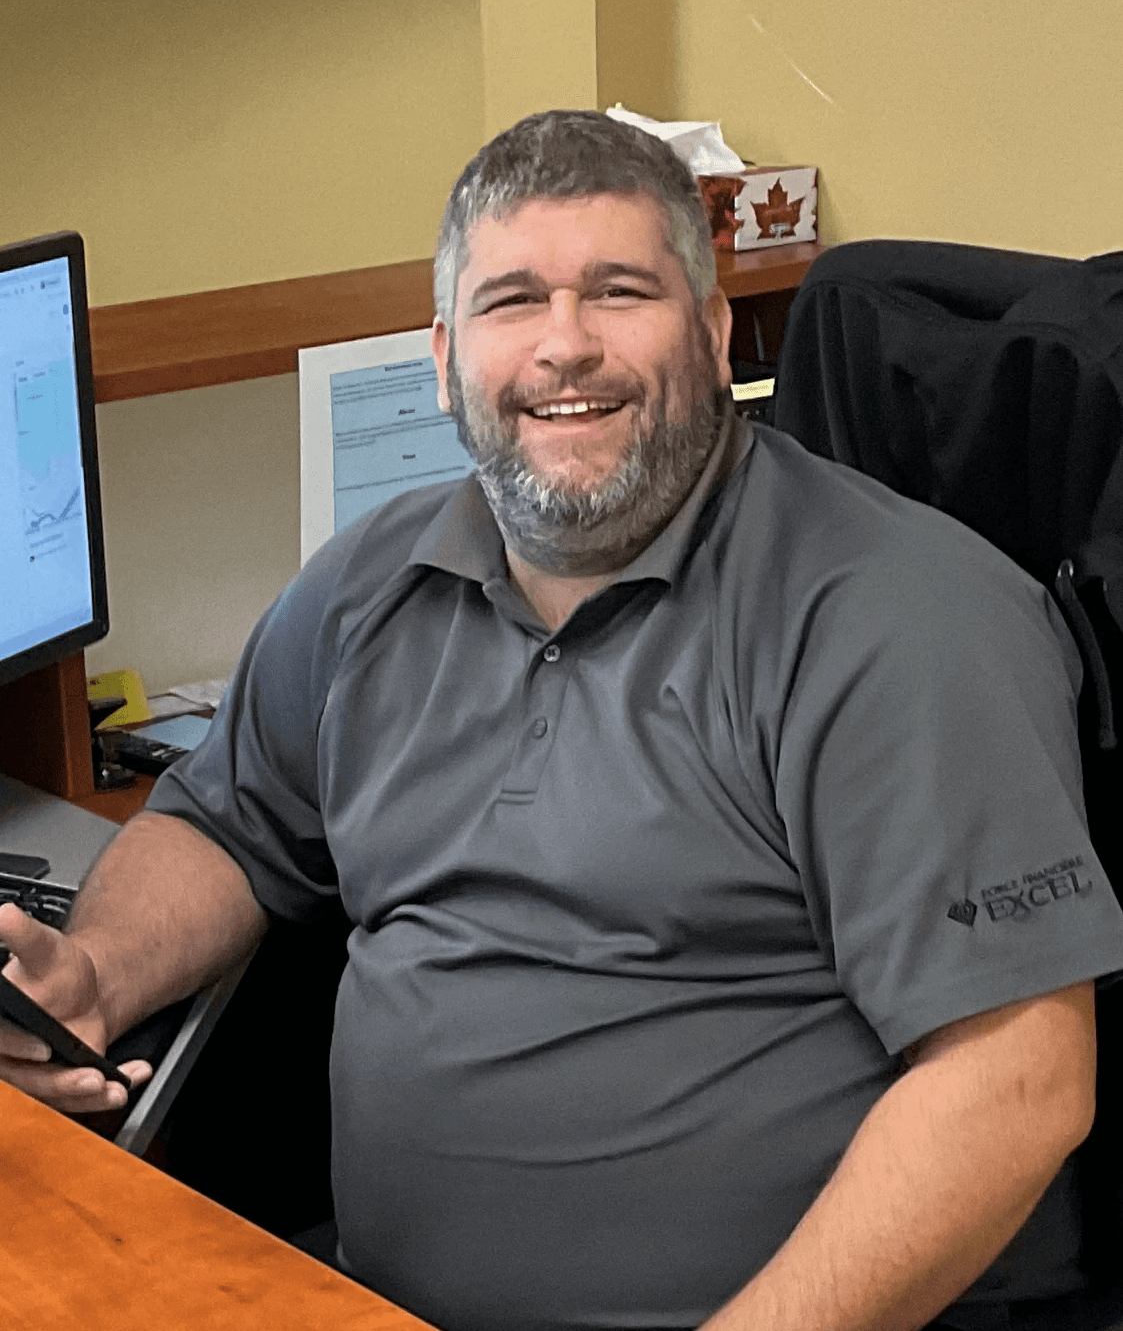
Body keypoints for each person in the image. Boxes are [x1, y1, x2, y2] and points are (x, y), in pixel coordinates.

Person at [2, 110, 1123, 1331]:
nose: (564, 347)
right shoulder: (368, 583)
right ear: (442, 357)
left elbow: (1016, 1081)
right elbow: (227, 822)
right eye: (512, 301)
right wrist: (98, 972)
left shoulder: (895, 617)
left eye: (619, 291)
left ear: (710, 331)